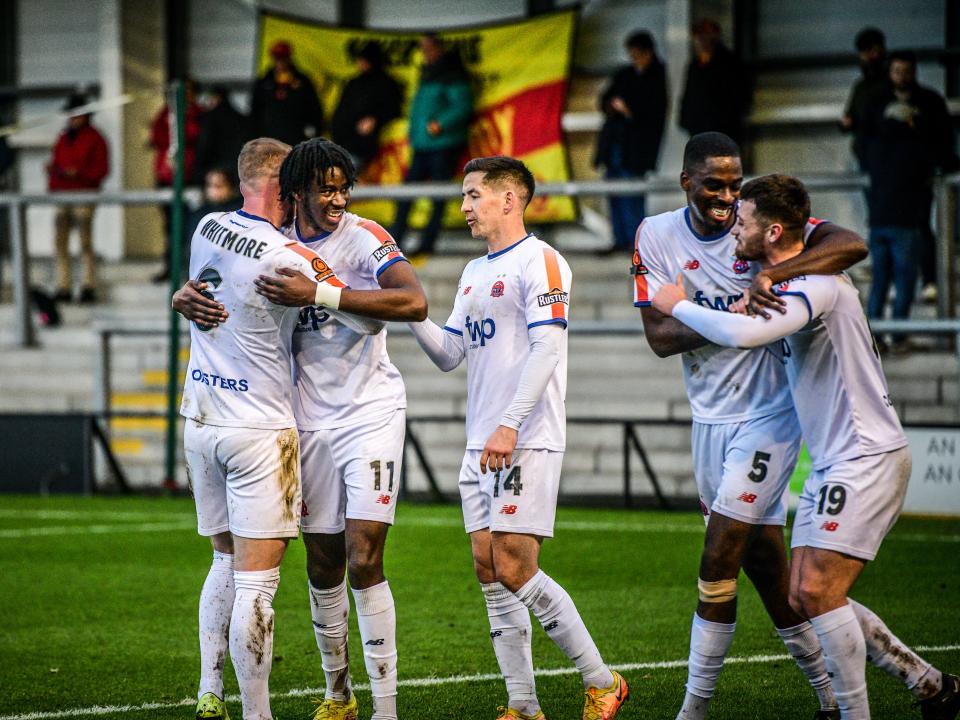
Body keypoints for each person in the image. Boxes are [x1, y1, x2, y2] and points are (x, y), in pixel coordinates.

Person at [651, 173, 960, 720]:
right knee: (802, 595)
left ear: (773, 231)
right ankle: (930, 684)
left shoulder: (815, 286)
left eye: (743, 221)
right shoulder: (792, 280)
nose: (734, 229)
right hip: (833, 461)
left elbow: (745, 335)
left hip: (865, 456)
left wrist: (677, 304)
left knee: (816, 593)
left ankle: (851, 713)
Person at [175, 138, 428, 720]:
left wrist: (319, 293)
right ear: (292, 190)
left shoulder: (358, 236)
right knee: (317, 563)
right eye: (324, 189)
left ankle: (383, 709)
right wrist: (183, 296)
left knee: (360, 558)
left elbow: (411, 302)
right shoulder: (282, 244)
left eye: (343, 189)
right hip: (294, 421)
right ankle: (337, 694)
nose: (337, 200)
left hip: (362, 414)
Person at [633, 132, 869, 720]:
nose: (726, 197)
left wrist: (764, 283)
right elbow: (659, 337)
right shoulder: (655, 235)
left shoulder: (757, 224)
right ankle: (843, 696)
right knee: (770, 573)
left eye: (735, 185)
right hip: (708, 419)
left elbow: (848, 242)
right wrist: (728, 317)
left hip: (771, 414)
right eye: (713, 185)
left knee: (717, 557)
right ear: (686, 182)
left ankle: (693, 709)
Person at [409, 156, 629, 720]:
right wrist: (407, 311)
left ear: (510, 199)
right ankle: (523, 704)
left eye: (473, 195)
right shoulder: (472, 272)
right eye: (464, 196)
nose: (464, 206)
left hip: (524, 437)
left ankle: (603, 680)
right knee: (489, 570)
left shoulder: (542, 261)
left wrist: (509, 423)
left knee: (514, 566)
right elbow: (450, 353)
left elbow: (547, 347)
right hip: (480, 442)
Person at [180, 137, 351, 720]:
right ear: (287, 187)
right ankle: (258, 714)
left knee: (222, 560)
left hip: (201, 417)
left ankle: (210, 691)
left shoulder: (207, 227)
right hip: (259, 429)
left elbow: (198, 291)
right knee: (258, 584)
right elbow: (362, 315)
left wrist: (179, 298)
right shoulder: (288, 256)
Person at [862, 50, 959, 348]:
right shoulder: (916, 123)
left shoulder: (879, 116)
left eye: (906, 70)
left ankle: (875, 339)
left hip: (884, 213)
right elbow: (943, 149)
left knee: (882, 281)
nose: (902, 76)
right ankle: (896, 336)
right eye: (897, 70)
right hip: (904, 214)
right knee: (901, 280)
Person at [390, 34, 473, 260]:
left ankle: (427, 243)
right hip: (423, 144)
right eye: (422, 48)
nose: (424, 53)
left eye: (428, 48)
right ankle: (393, 242)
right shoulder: (427, 73)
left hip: (443, 145)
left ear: (439, 48)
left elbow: (463, 107)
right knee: (407, 194)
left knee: (437, 197)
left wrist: (440, 124)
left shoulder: (452, 74)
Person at [594, 30, 667, 252]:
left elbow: (655, 113)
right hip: (615, 144)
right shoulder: (624, 73)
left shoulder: (657, 76)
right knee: (615, 194)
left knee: (633, 195)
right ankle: (619, 239)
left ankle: (636, 242)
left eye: (637, 54)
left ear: (648, 52)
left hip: (636, 147)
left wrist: (629, 110)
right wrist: (613, 106)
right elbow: (604, 99)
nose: (634, 58)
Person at [47, 93, 109, 303]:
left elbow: (101, 169)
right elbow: (56, 164)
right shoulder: (64, 137)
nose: (73, 119)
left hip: (84, 194)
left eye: (77, 115)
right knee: (60, 242)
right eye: (71, 115)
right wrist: (55, 176)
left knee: (85, 242)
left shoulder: (95, 138)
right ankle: (63, 286)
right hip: (63, 195)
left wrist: (79, 173)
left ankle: (88, 285)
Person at [150, 79, 203, 283]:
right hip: (166, 178)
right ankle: (170, 266)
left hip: (189, 178)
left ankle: (190, 268)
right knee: (169, 227)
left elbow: (195, 136)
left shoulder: (198, 114)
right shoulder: (165, 114)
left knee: (191, 226)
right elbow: (156, 137)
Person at [331, 41, 404, 174]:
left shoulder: (386, 84)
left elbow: (393, 109)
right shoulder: (353, 83)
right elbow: (340, 112)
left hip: (362, 146)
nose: (360, 63)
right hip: (341, 143)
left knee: (343, 176)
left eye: (364, 60)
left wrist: (375, 119)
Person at [678, 20, 750, 145]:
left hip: (723, 129)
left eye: (705, 37)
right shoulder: (695, 65)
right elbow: (690, 94)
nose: (700, 41)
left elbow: (739, 95)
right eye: (698, 37)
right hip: (699, 128)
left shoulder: (729, 63)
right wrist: (686, 120)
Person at [251, 40, 325, 147]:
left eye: (283, 58)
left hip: (297, 139)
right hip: (270, 140)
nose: (280, 62)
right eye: (277, 58)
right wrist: (255, 137)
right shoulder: (264, 82)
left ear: (289, 58)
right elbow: (255, 112)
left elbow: (314, 108)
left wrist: (314, 132)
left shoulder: (303, 82)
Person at [841, 28, 888, 171]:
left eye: (873, 50)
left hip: (889, 153)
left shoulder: (891, 85)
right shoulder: (860, 87)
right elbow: (850, 117)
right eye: (865, 52)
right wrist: (847, 123)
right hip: (866, 153)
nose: (869, 56)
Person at [195, 85, 254, 186]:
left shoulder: (210, 118)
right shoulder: (239, 117)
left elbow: (205, 144)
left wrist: (199, 169)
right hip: (236, 168)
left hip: (215, 167)